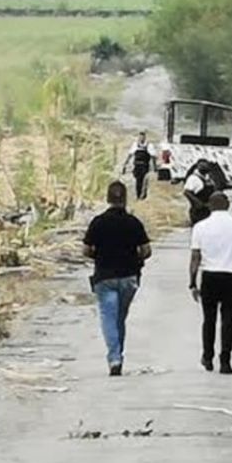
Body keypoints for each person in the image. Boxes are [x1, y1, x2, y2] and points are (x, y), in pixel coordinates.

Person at [82, 181, 152, 376]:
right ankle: (118, 353)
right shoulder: (134, 222)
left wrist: (98, 255)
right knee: (120, 318)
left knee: (108, 318)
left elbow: (86, 250)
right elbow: (147, 250)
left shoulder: (98, 222)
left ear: (107, 199)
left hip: (104, 277)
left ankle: (115, 358)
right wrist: (136, 258)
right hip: (129, 277)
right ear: (125, 199)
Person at [189, 192, 232, 375]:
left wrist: (192, 283)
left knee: (209, 319)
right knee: (228, 319)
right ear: (228, 205)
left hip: (210, 276)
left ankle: (208, 356)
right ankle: (225, 360)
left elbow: (195, 257)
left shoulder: (200, 227)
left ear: (210, 206)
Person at [121, 132, 157, 200]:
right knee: (138, 180)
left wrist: (155, 167)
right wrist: (125, 165)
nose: (141, 138)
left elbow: (153, 156)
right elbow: (130, 155)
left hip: (144, 166)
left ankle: (142, 195)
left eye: (142, 137)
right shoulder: (135, 145)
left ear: (145, 137)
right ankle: (138, 195)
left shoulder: (149, 145)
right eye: (140, 137)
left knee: (144, 180)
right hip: (137, 165)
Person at [184, 162, 214, 227]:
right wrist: (198, 203)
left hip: (208, 210)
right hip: (198, 212)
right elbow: (187, 192)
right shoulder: (193, 179)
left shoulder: (208, 177)